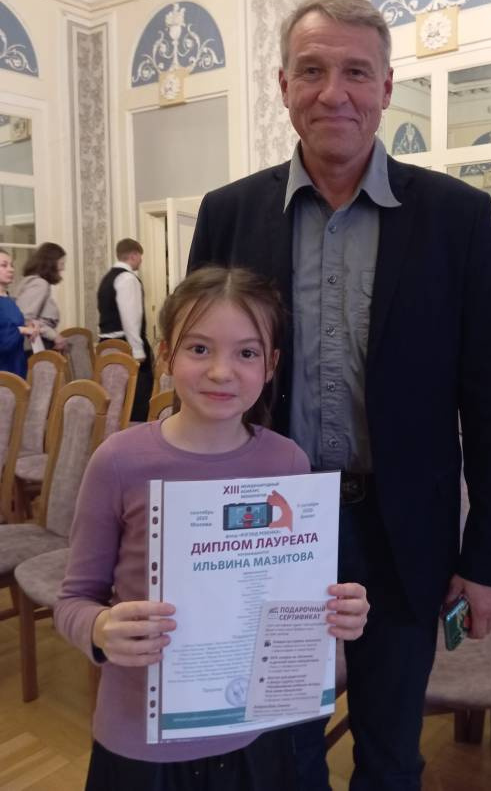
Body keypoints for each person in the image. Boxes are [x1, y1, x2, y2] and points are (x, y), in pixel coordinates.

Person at [187, 0, 491, 790]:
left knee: (389, 750)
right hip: (265, 526)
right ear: (282, 86)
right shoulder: (228, 214)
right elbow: (196, 384)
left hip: (402, 531)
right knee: (280, 745)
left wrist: (490, 560)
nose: (332, 92)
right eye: (311, 71)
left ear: (385, 87)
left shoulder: (456, 217)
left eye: (355, 72)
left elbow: (490, 401)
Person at [54, 265, 369, 791]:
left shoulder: (287, 463)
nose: (222, 371)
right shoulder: (119, 461)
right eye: (199, 348)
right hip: (142, 738)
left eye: (246, 353)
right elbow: (72, 600)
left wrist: (340, 611)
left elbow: (297, 594)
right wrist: (100, 630)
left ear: (271, 365)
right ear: (166, 355)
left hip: (255, 734)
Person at [97, 238, 153, 421]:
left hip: (106, 345)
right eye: (140, 256)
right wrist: (137, 350)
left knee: (113, 394)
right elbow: (131, 318)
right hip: (125, 346)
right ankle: (136, 428)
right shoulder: (128, 278)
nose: (141, 260)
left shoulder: (107, 278)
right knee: (138, 394)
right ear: (134, 255)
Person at [14, 242, 67, 353]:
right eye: (61, 263)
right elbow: (25, 319)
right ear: (51, 263)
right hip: (35, 344)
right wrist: (54, 336)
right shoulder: (39, 284)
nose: (63, 268)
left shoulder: (31, 281)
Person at [0, 248, 38, 377]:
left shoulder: (9, 299)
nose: (11, 269)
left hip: (17, 364)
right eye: (4, 265)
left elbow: (10, 323)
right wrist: (22, 330)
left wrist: (28, 325)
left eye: (12, 265)